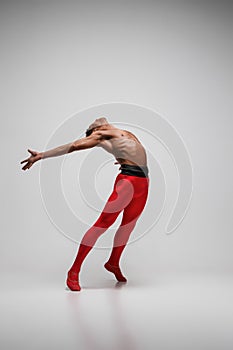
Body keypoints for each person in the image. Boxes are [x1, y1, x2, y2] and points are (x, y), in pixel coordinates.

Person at [20, 117, 149, 291]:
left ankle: (113, 263)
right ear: (95, 131)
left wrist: (124, 157)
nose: (96, 121)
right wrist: (42, 155)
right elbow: (72, 146)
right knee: (102, 225)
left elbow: (132, 150)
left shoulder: (120, 133)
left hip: (143, 181)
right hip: (127, 182)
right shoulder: (100, 135)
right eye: (93, 127)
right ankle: (73, 271)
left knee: (128, 226)